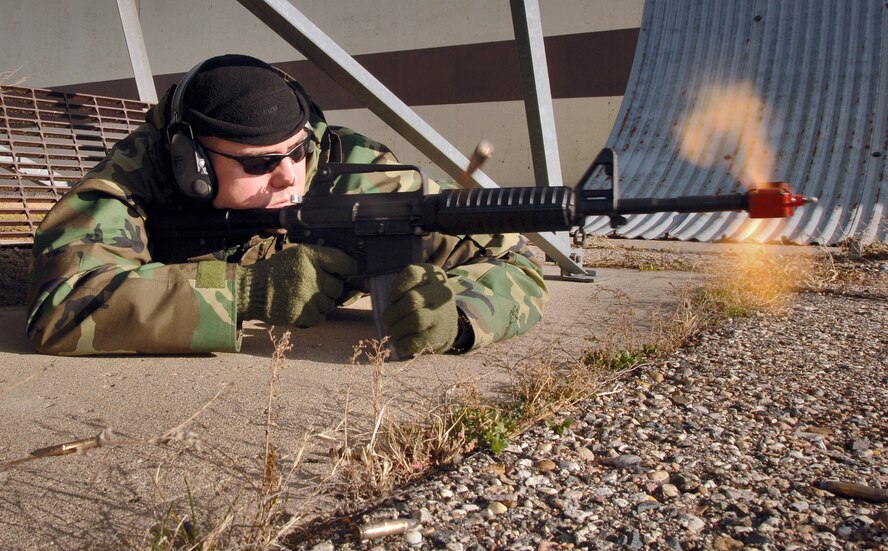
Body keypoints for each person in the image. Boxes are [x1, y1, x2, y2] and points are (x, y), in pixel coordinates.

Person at [26, 54, 549, 357]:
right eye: (258, 164)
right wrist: (241, 292)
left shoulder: (354, 171)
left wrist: (456, 317)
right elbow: (61, 308)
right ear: (193, 163)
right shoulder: (135, 179)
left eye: (298, 151)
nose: (289, 176)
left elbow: (517, 259)